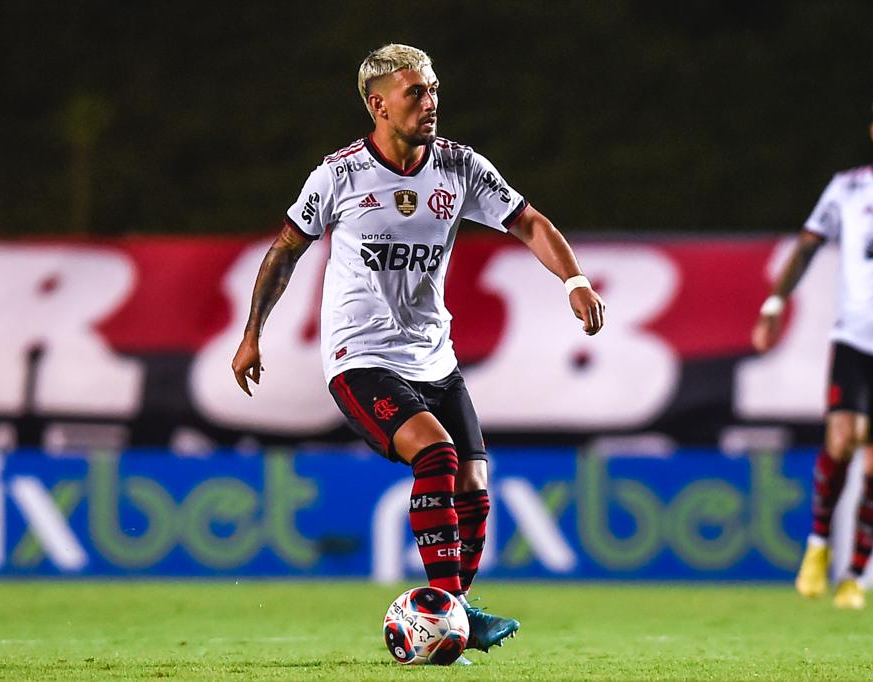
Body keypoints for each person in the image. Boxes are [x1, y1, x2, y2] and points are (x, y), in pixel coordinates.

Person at [231, 44, 606, 656]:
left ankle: (451, 610)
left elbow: (529, 222)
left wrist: (574, 279)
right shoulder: (340, 176)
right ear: (378, 105)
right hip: (362, 358)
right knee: (437, 455)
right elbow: (284, 251)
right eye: (416, 94)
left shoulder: (460, 168)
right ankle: (447, 610)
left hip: (436, 357)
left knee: (475, 485)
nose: (431, 104)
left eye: (433, 90)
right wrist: (252, 334)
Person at [751, 104, 873, 609]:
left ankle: (854, 576)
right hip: (854, 337)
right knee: (842, 440)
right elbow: (805, 246)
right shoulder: (848, 188)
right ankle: (819, 546)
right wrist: (775, 303)